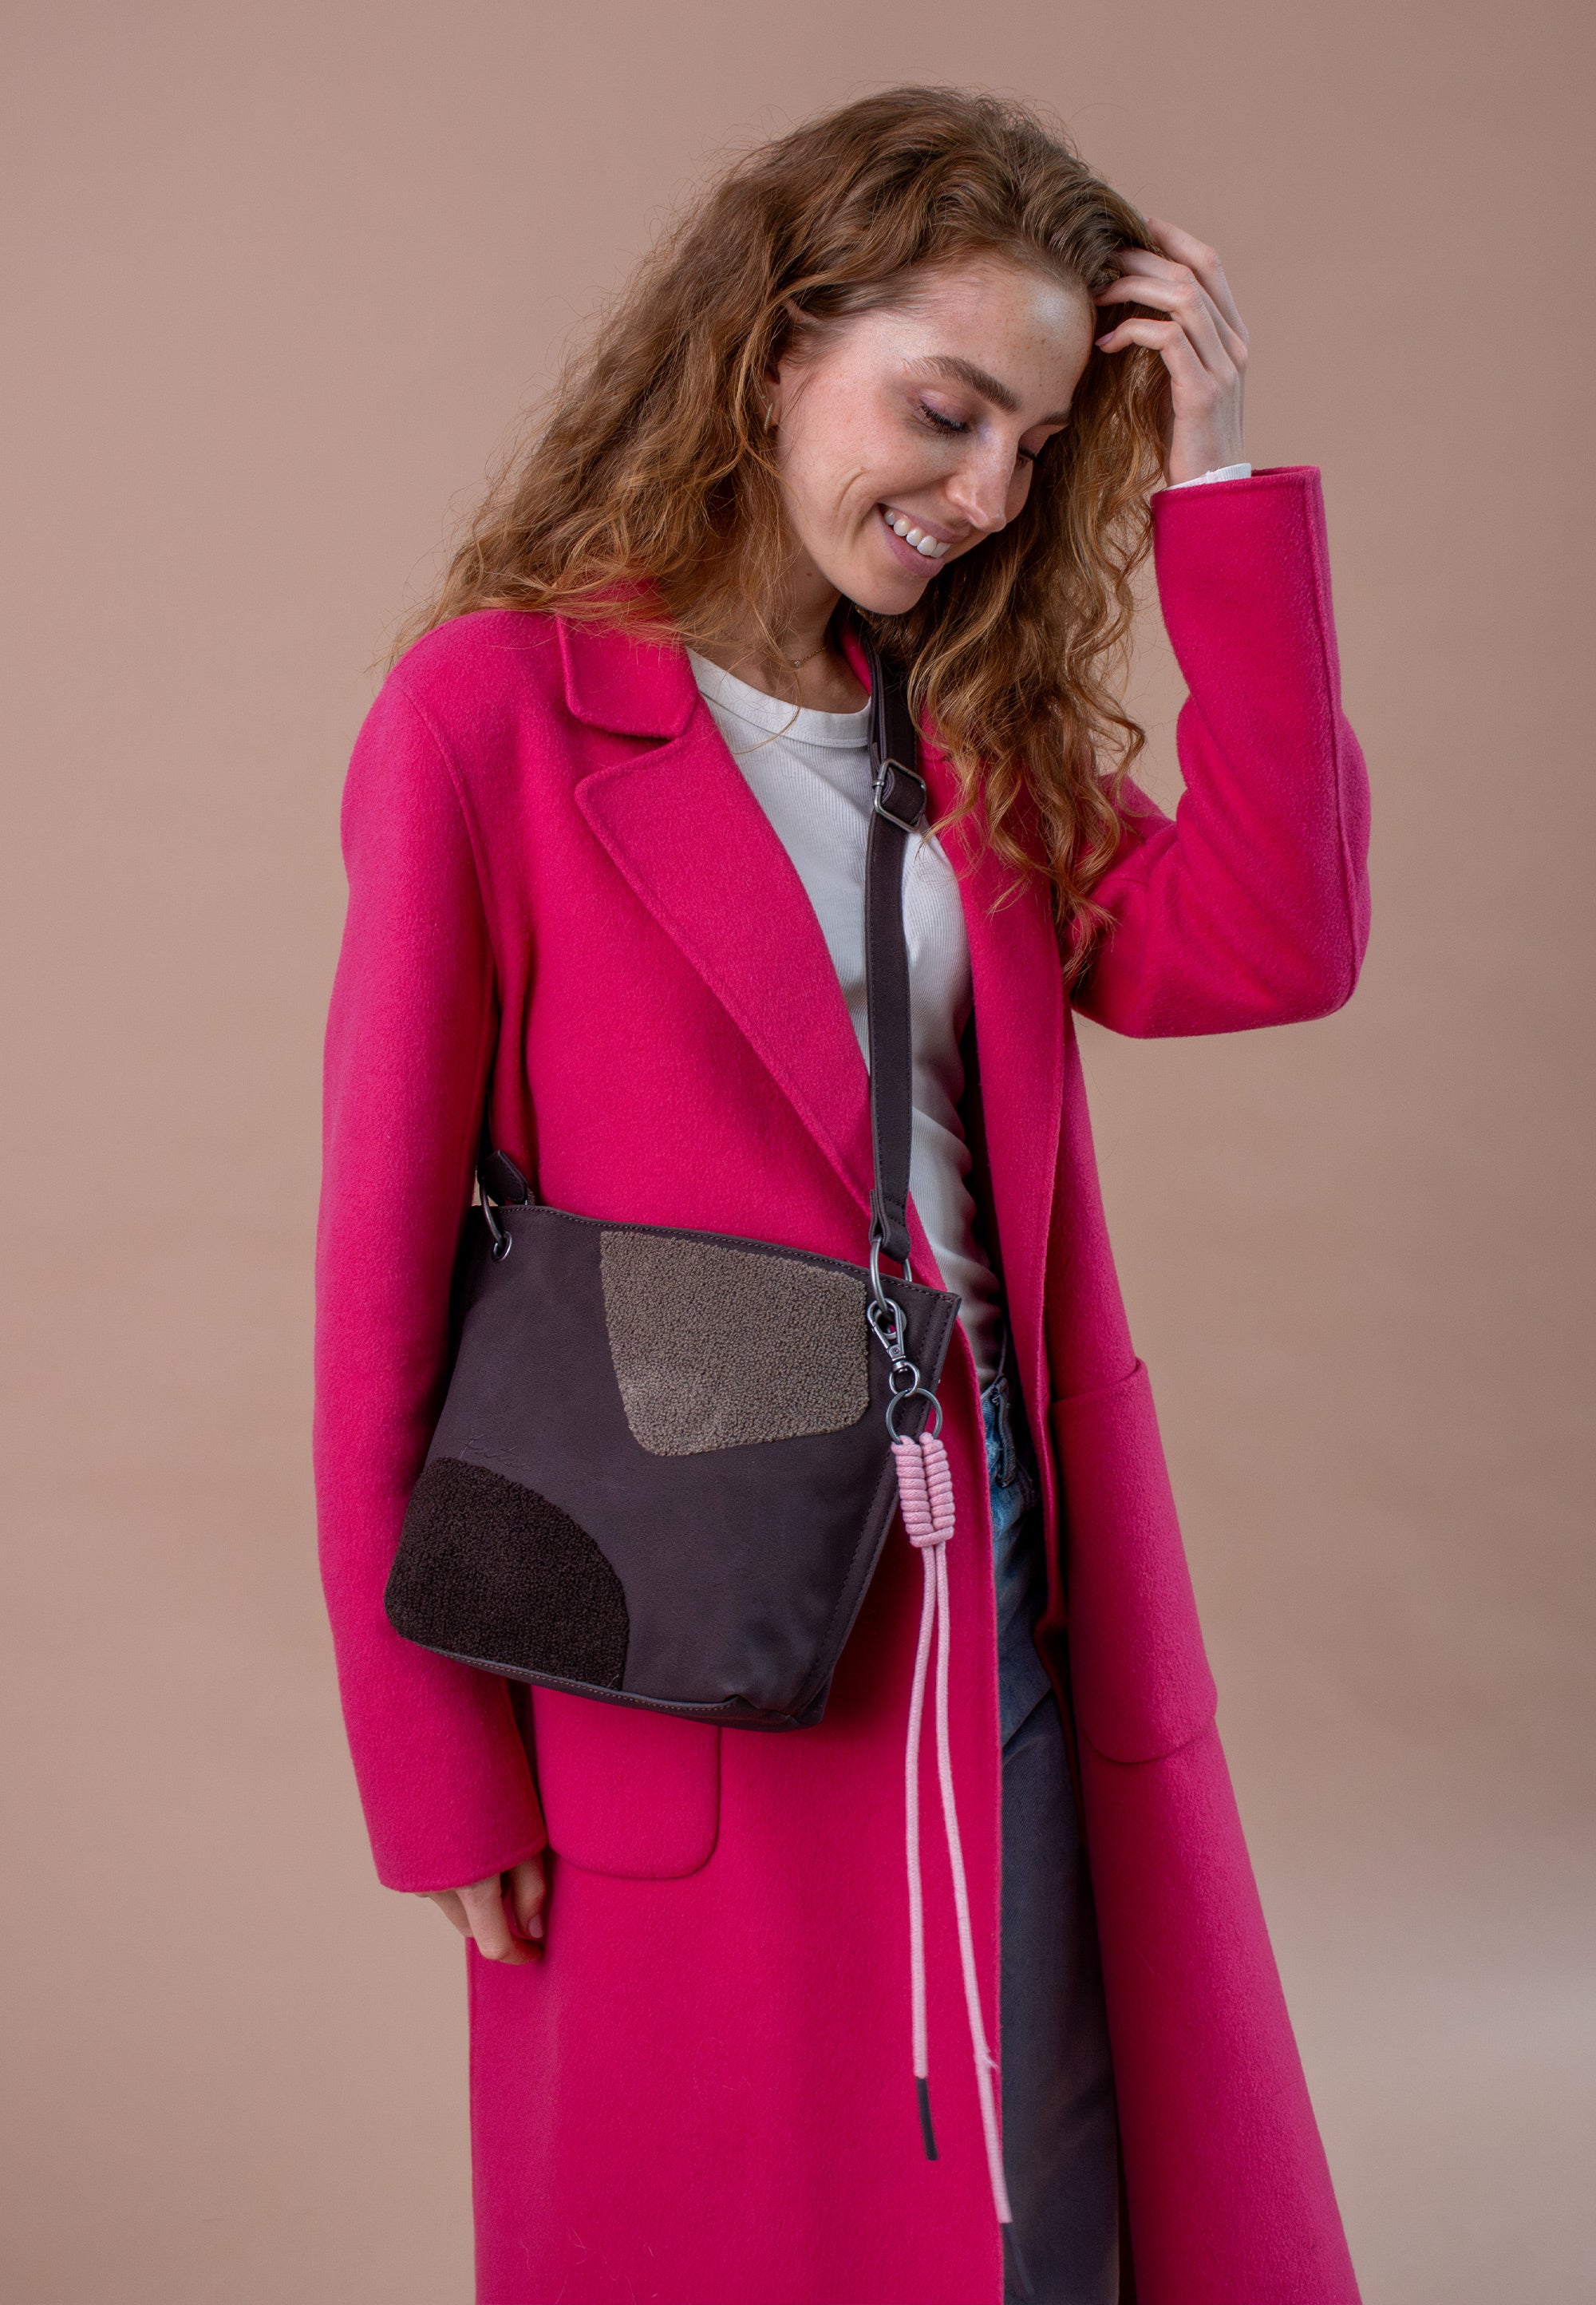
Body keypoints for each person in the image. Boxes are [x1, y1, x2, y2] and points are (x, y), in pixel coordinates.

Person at [314, 85, 1369, 2305]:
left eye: (1037, 446)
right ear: (777, 342)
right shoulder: (491, 718)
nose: (985, 495)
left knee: (1045, 2194)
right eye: (945, 409)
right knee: (733, 2213)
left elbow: (1276, 939)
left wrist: (1213, 484)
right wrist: (436, 1775)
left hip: (1013, 1552)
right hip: (687, 1585)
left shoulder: (965, 728)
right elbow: (380, 1288)